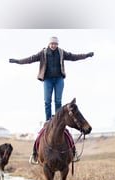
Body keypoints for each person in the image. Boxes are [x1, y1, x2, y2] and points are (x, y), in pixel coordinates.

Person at [9, 36, 94, 164]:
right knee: (47, 101)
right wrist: (17, 61)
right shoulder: (43, 53)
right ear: (49, 44)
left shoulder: (61, 52)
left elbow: (73, 57)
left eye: (55, 44)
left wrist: (86, 55)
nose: (54, 45)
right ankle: (49, 119)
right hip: (48, 80)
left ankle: (57, 117)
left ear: (57, 44)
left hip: (59, 79)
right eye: (52, 44)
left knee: (58, 101)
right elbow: (30, 59)